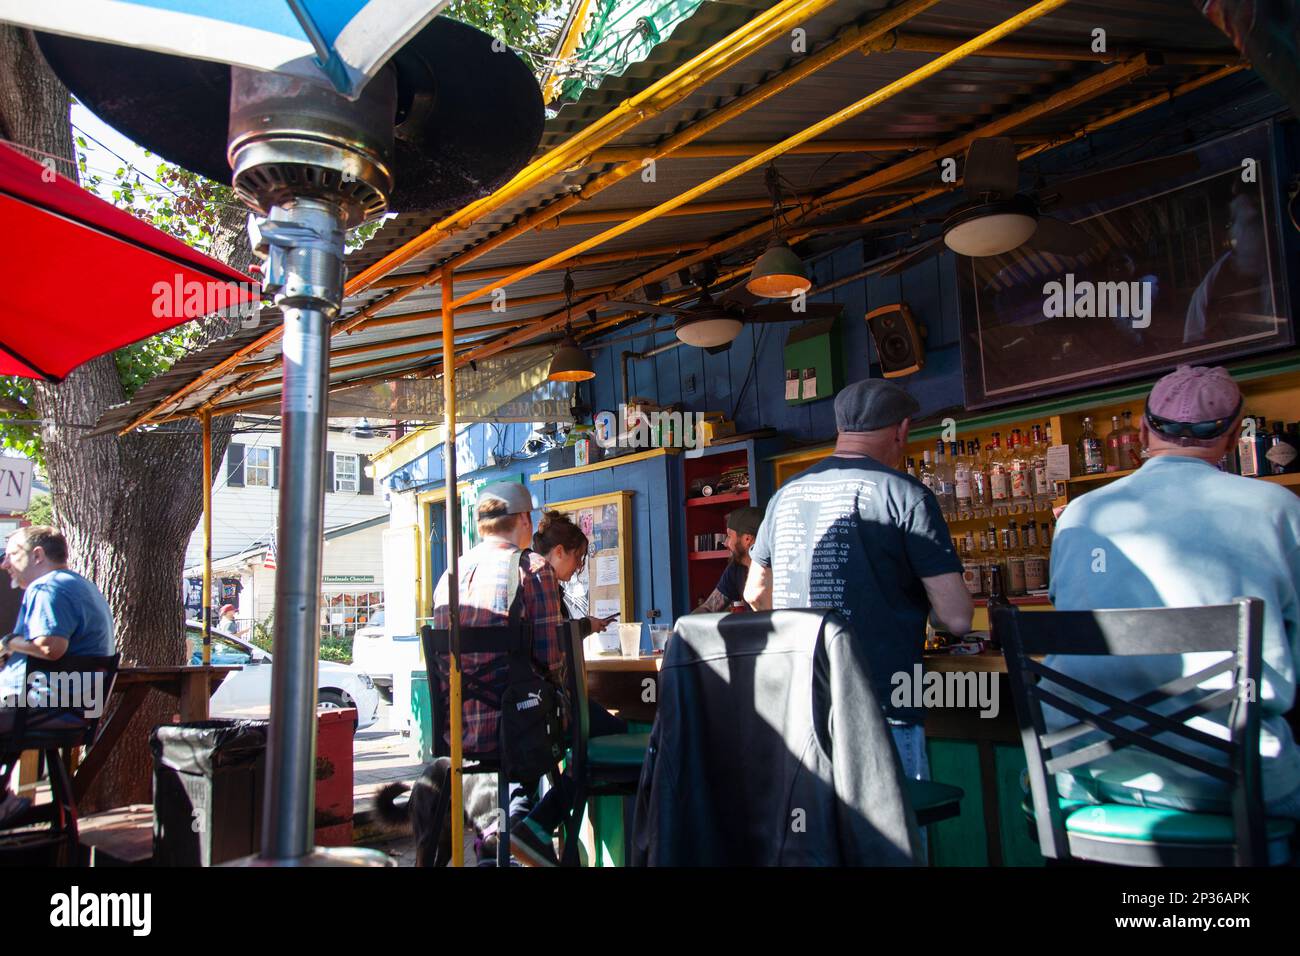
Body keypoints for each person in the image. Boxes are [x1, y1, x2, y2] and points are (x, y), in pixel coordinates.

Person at [1047, 365, 1300, 818]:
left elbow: (1067, 620)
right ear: (1234, 435)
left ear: (1143, 430)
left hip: (1087, 776)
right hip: (1234, 781)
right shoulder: (1277, 509)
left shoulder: (1076, 516)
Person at [744, 378, 973, 783]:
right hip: (885, 703)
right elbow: (956, 618)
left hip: (801, 705)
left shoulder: (785, 495)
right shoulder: (907, 495)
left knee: (817, 837)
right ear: (901, 430)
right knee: (891, 839)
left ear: (841, 430)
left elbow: (755, 593)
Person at [429, 483, 568, 867]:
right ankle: (529, 830)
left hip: (459, 731)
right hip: (515, 730)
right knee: (590, 742)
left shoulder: (450, 575)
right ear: (523, 519)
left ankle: (502, 837)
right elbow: (552, 660)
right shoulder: (533, 569)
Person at [0, 527, 115, 825]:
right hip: (70, 711)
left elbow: (51, 647)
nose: (5, 563)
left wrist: (9, 643)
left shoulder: (47, 587)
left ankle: (5, 801)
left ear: (37, 555)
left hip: (40, 712)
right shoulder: (81, 585)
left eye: (12, 554)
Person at [531, 511, 615, 636]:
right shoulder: (540, 587)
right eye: (577, 557)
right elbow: (556, 636)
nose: (580, 565)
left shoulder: (541, 583)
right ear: (559, 551)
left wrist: (587, 625)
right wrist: (587, 625)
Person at [692, 506, 764, 613]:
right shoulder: (736, 567)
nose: (725, 543)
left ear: (747, 539)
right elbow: (709, 608)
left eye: (729, 536)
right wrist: (686, 625)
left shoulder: (774, 568)